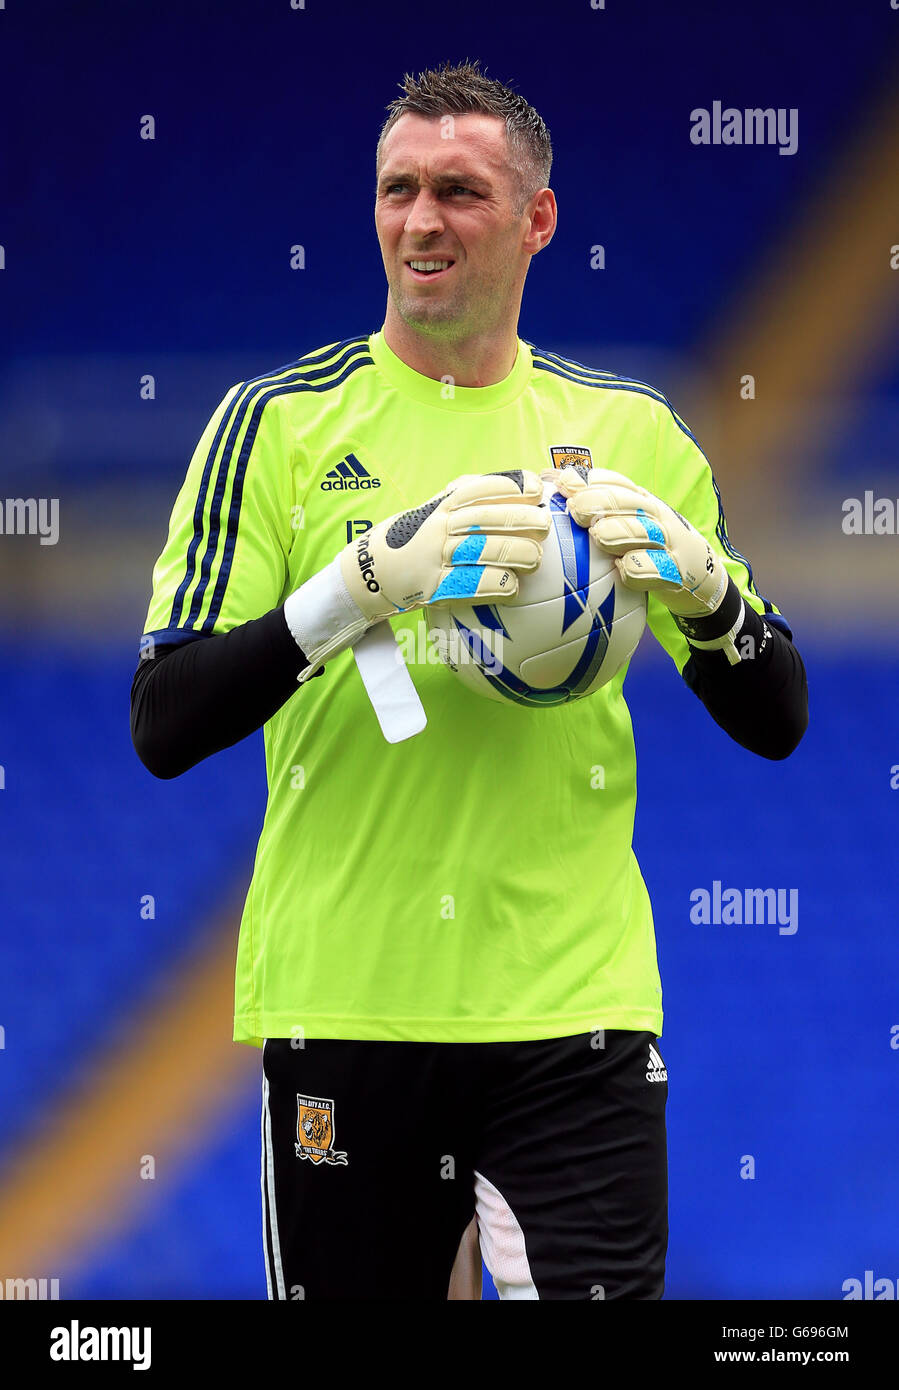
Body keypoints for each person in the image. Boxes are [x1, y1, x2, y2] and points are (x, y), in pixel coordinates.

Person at [131, 59, 808, 1301]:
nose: (420, 220)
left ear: (537, 220)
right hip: (349, 1009)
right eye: (397, 189)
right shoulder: (272, 427)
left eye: (458, 190)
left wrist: (707, 591)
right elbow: (164, 721)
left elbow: (775, 719)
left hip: (573, 1014)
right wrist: (356, 587)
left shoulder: (634, 435)